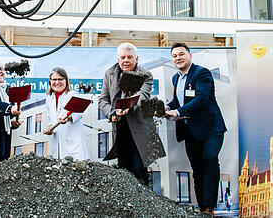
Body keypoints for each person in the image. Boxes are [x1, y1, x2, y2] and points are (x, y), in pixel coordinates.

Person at [166, 42, 227, 217]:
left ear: (190, 56)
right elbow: (177, 102)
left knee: (209, 158)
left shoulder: (202, 73)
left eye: (181, 54)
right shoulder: (175, 78)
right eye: (175, 56)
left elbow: (201, 98)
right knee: (197, 168)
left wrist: (178, 112)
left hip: (211, 128)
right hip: (191, 130)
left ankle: (210, 206)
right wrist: (165, 107)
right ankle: (203, 209)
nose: (178, 58)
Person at [99, 42, 166, 185]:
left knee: (139, 169)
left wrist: (129, 106)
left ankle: (145, 204)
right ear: (118, 60)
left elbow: (143, 95)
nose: (126, 60)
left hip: (140, 128)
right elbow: (103, 99)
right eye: (123, 57)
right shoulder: (109, 74)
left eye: (130, 57)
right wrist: (111, 113)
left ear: (136, 59)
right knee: (124, 171)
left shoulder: (145, 74)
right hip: (120, 129)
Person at [43, 67, 90, 160]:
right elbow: (51, 119)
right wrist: (50, 129)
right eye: (54, 79)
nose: (57, 82)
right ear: (50, 82)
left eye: (60, 79)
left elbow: (78, 113)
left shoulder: (73, 95)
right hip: (58, 144)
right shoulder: (49, 99)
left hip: (74, 144)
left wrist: (68, 118)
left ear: (66, 81)